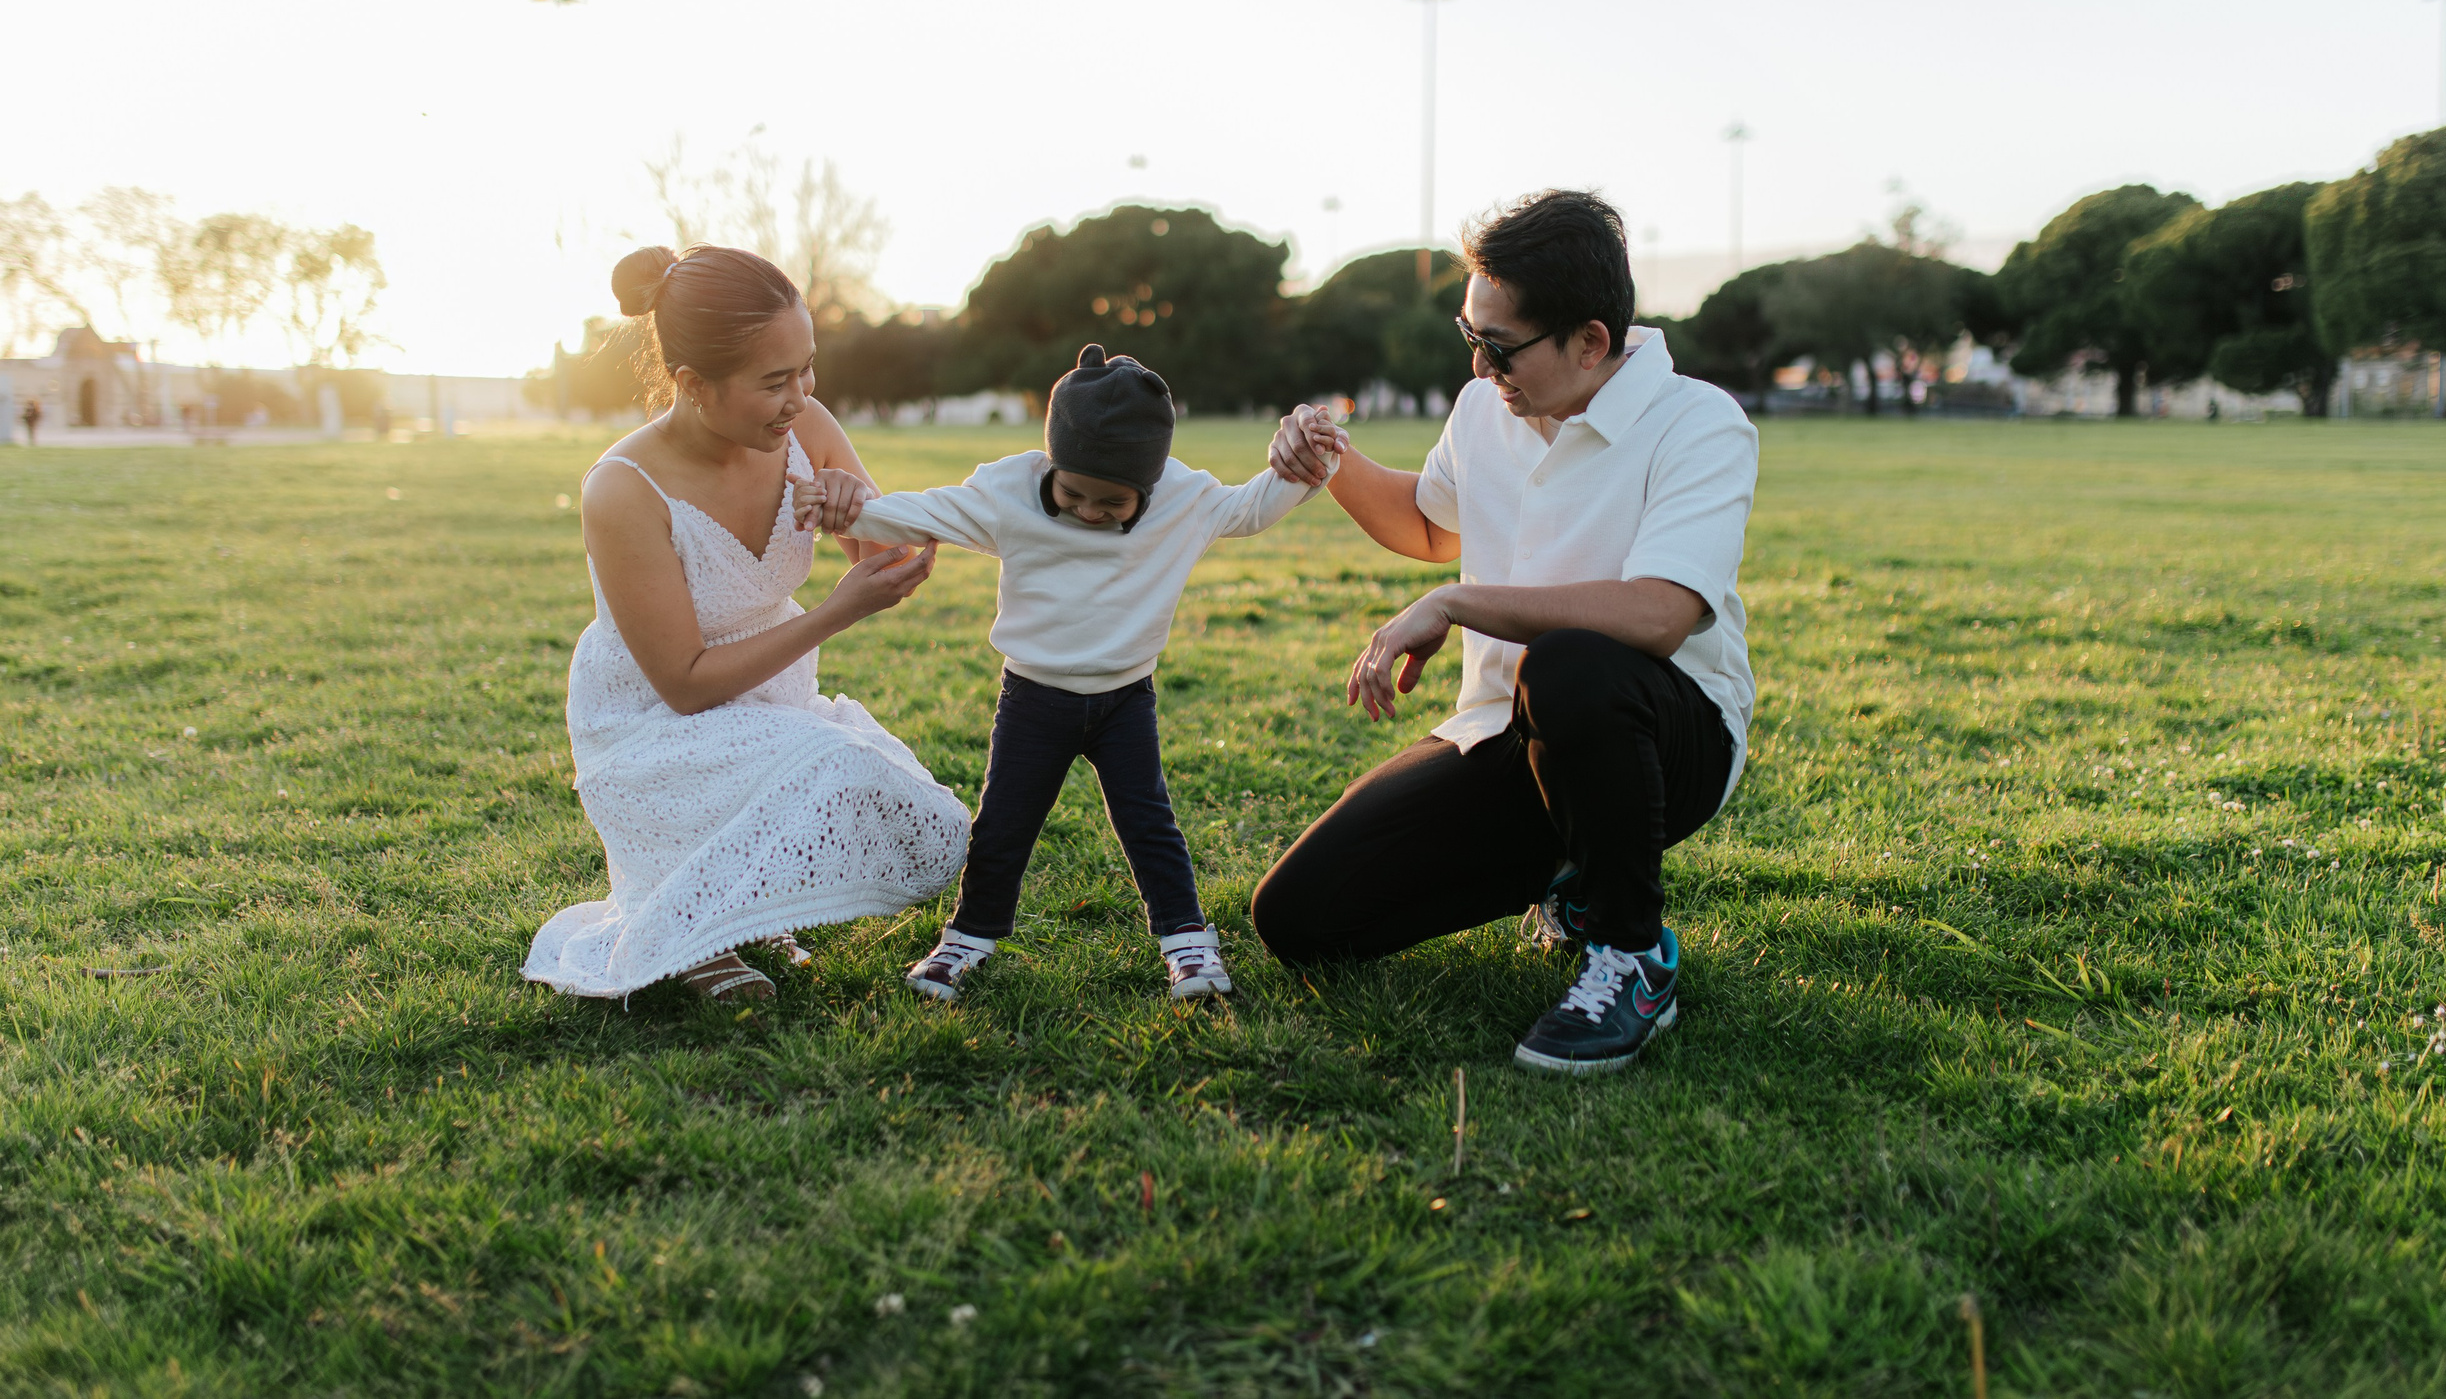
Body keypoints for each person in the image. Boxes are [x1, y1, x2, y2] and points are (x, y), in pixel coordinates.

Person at [1252, 189, 1757, 1075]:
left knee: (1572, 669)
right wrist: (1330, 457)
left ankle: (1630, 952)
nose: (1483, 366)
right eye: (1470, 336)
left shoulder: (1700, 422)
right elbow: (1428, 523)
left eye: (1501, 346)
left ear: (1591, 341)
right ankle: (1570, 879)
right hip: (1508, 734)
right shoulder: (1487, 408)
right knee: (1298, 917)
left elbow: (1659, 613)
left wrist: (1458, 603)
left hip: (1666, 739)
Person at [801, 344, 1337, 1005]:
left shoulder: (1182, 499)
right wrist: (846, 511)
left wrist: (1316, 456)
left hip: (1124, 700)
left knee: (1150, 823)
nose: (1088, 511)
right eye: (1072, 493)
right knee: (1003, 824)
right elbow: (926, 511)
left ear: (1150, 482)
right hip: (1033, 697)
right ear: (1050, 463)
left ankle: (1186, 939)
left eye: (1111, 502)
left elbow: (1254, 506)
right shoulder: (1008, 491)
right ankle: (968, 938)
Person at [521, 244, 971, 1007]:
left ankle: (740, 904)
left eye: (808, 368)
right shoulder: (622, 489)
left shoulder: (807, 426)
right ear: (694, 384)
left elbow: (897, 559)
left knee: (936, 821)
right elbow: (685, 685)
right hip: (653, 729)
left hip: (771, 700)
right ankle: (696, 933)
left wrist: (855, 505)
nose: (800, 396)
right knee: (840, 762)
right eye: (774, 381)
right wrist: (834, 612)